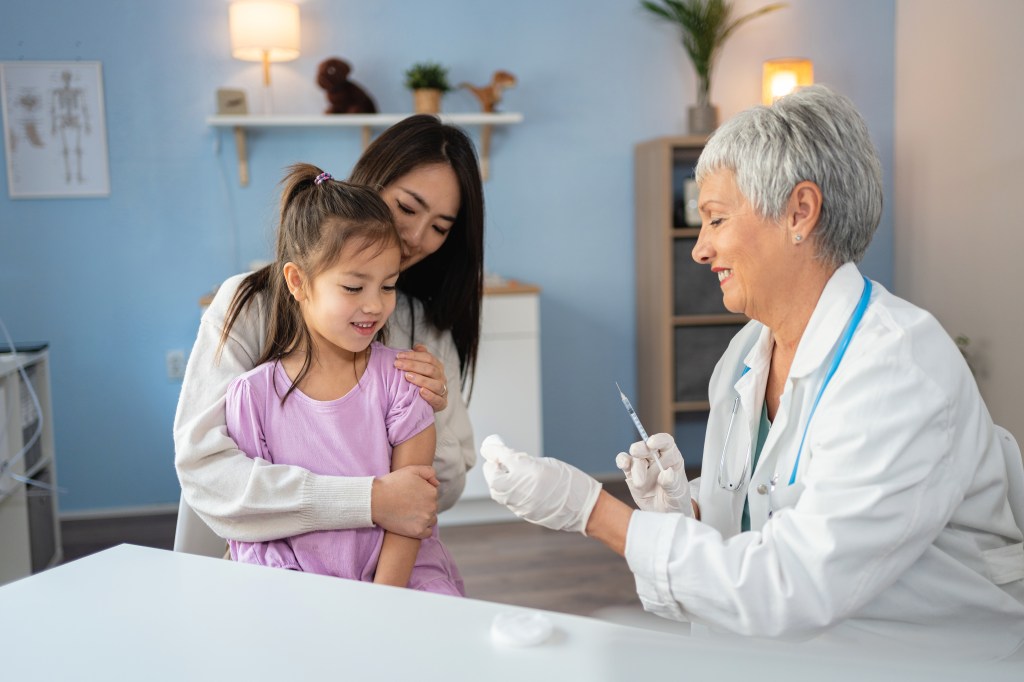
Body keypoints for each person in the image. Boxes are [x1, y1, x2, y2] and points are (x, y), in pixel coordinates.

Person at [479, 85, 1024, 659]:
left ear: (800, 212)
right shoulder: (746, 356)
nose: (700, 248)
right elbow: (755, 526)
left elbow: (793, 586)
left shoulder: (898, 371)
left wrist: (591, 510)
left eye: (715, 219)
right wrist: (684, 510)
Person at [174, 114, 484, 546]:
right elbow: (206, 471)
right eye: (408, 208)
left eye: (439, 227)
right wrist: (369, 500)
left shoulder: (420, 328)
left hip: (376, 573)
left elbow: (439, 495)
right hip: (268, 571)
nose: (414, 236)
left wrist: (430, 420)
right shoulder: (251, 305)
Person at [225, 165, 463, 594]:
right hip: (296, 595)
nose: (374, 305)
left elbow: (413, 513)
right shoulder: (252, 397)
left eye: (388, 286)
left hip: (400, 584)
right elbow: (257, 533)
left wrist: (379, 601)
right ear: (298, 281)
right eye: (354, 288)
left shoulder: (404, 382)